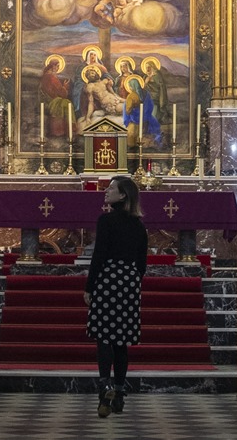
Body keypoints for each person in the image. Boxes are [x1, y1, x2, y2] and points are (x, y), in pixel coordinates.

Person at [84, 174, 148, 417]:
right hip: (129, 281)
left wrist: (90, 286)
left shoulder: (106, 220)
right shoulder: (139, 225)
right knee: (121, 340)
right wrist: (131, 281)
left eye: (111, 188)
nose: (105, 191)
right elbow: (142, 262)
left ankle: (105, 389)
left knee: (103, 336)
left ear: (122, 195)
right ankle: (120, 395)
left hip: (108, 278)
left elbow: (99, 255)